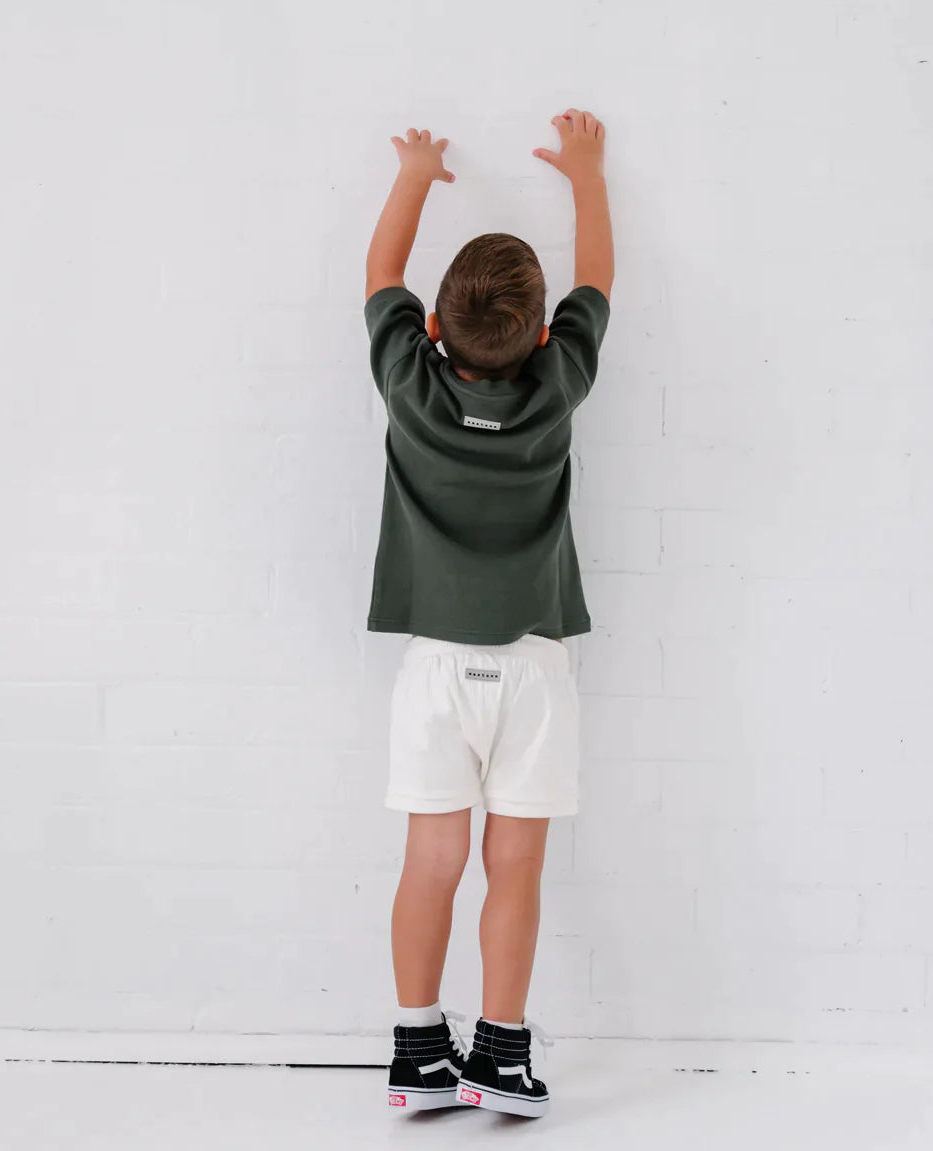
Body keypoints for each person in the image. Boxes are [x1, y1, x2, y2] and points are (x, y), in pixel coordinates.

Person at [364, 109, 614, 1117]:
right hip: (531, 673)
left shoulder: (406, 385)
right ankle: (500, 1058)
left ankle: (419, 1050)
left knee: (430, 861)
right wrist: (585, 173)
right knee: (514, 864)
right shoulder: (558, 386)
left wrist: (418, 173)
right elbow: (598, 283)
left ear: (431, 329)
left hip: (434, 671)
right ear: (543, 335)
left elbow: (380, 272)